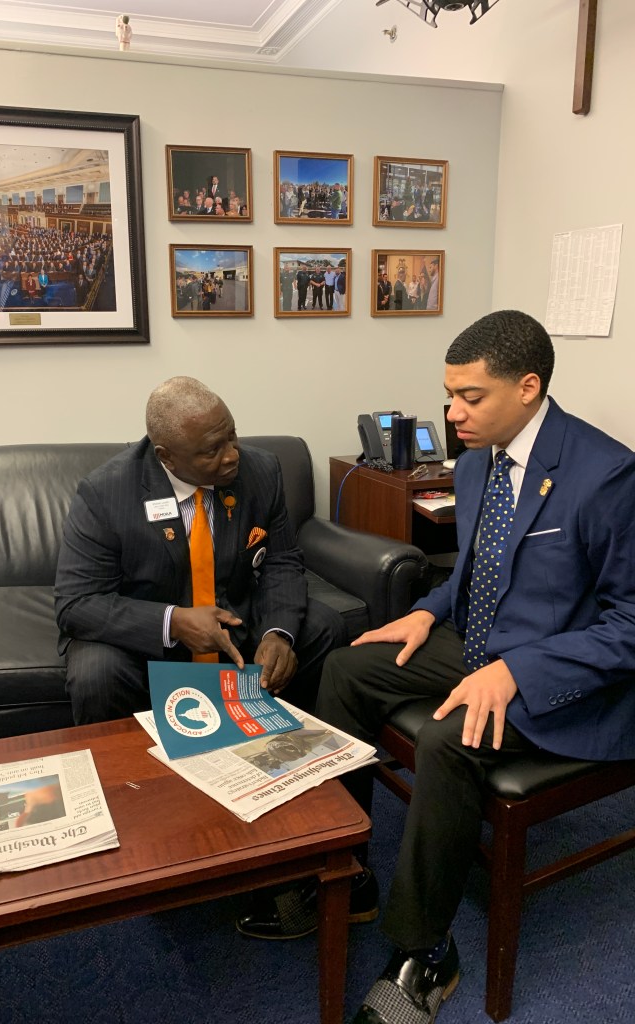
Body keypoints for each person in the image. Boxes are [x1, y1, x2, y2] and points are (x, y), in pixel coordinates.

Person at [313, 310, 635, 1024]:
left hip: (561, 677)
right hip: (480, 641)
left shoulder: (607, 475)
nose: (453, 413)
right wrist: (429, 610)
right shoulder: (475, 460)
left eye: (470, 396)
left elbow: (630, 625)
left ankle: (425, 952)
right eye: (449, 395)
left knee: (447, 737)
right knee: (347, 668)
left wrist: (520, 670)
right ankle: (347, 871)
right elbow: (476, 568)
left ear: (528, 387)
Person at [54, 376, 347, 725]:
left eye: (232, 436)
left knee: (323, 626)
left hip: (235, 621)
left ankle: (279, 738)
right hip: (146, 638)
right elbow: (76, 603)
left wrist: (277, 633)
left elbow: (281, 561)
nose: (232, 455)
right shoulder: (107, 493)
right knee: (95, 672)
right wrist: (174, 622)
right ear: (166, 457)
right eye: (212, 451)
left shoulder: (261, 471)